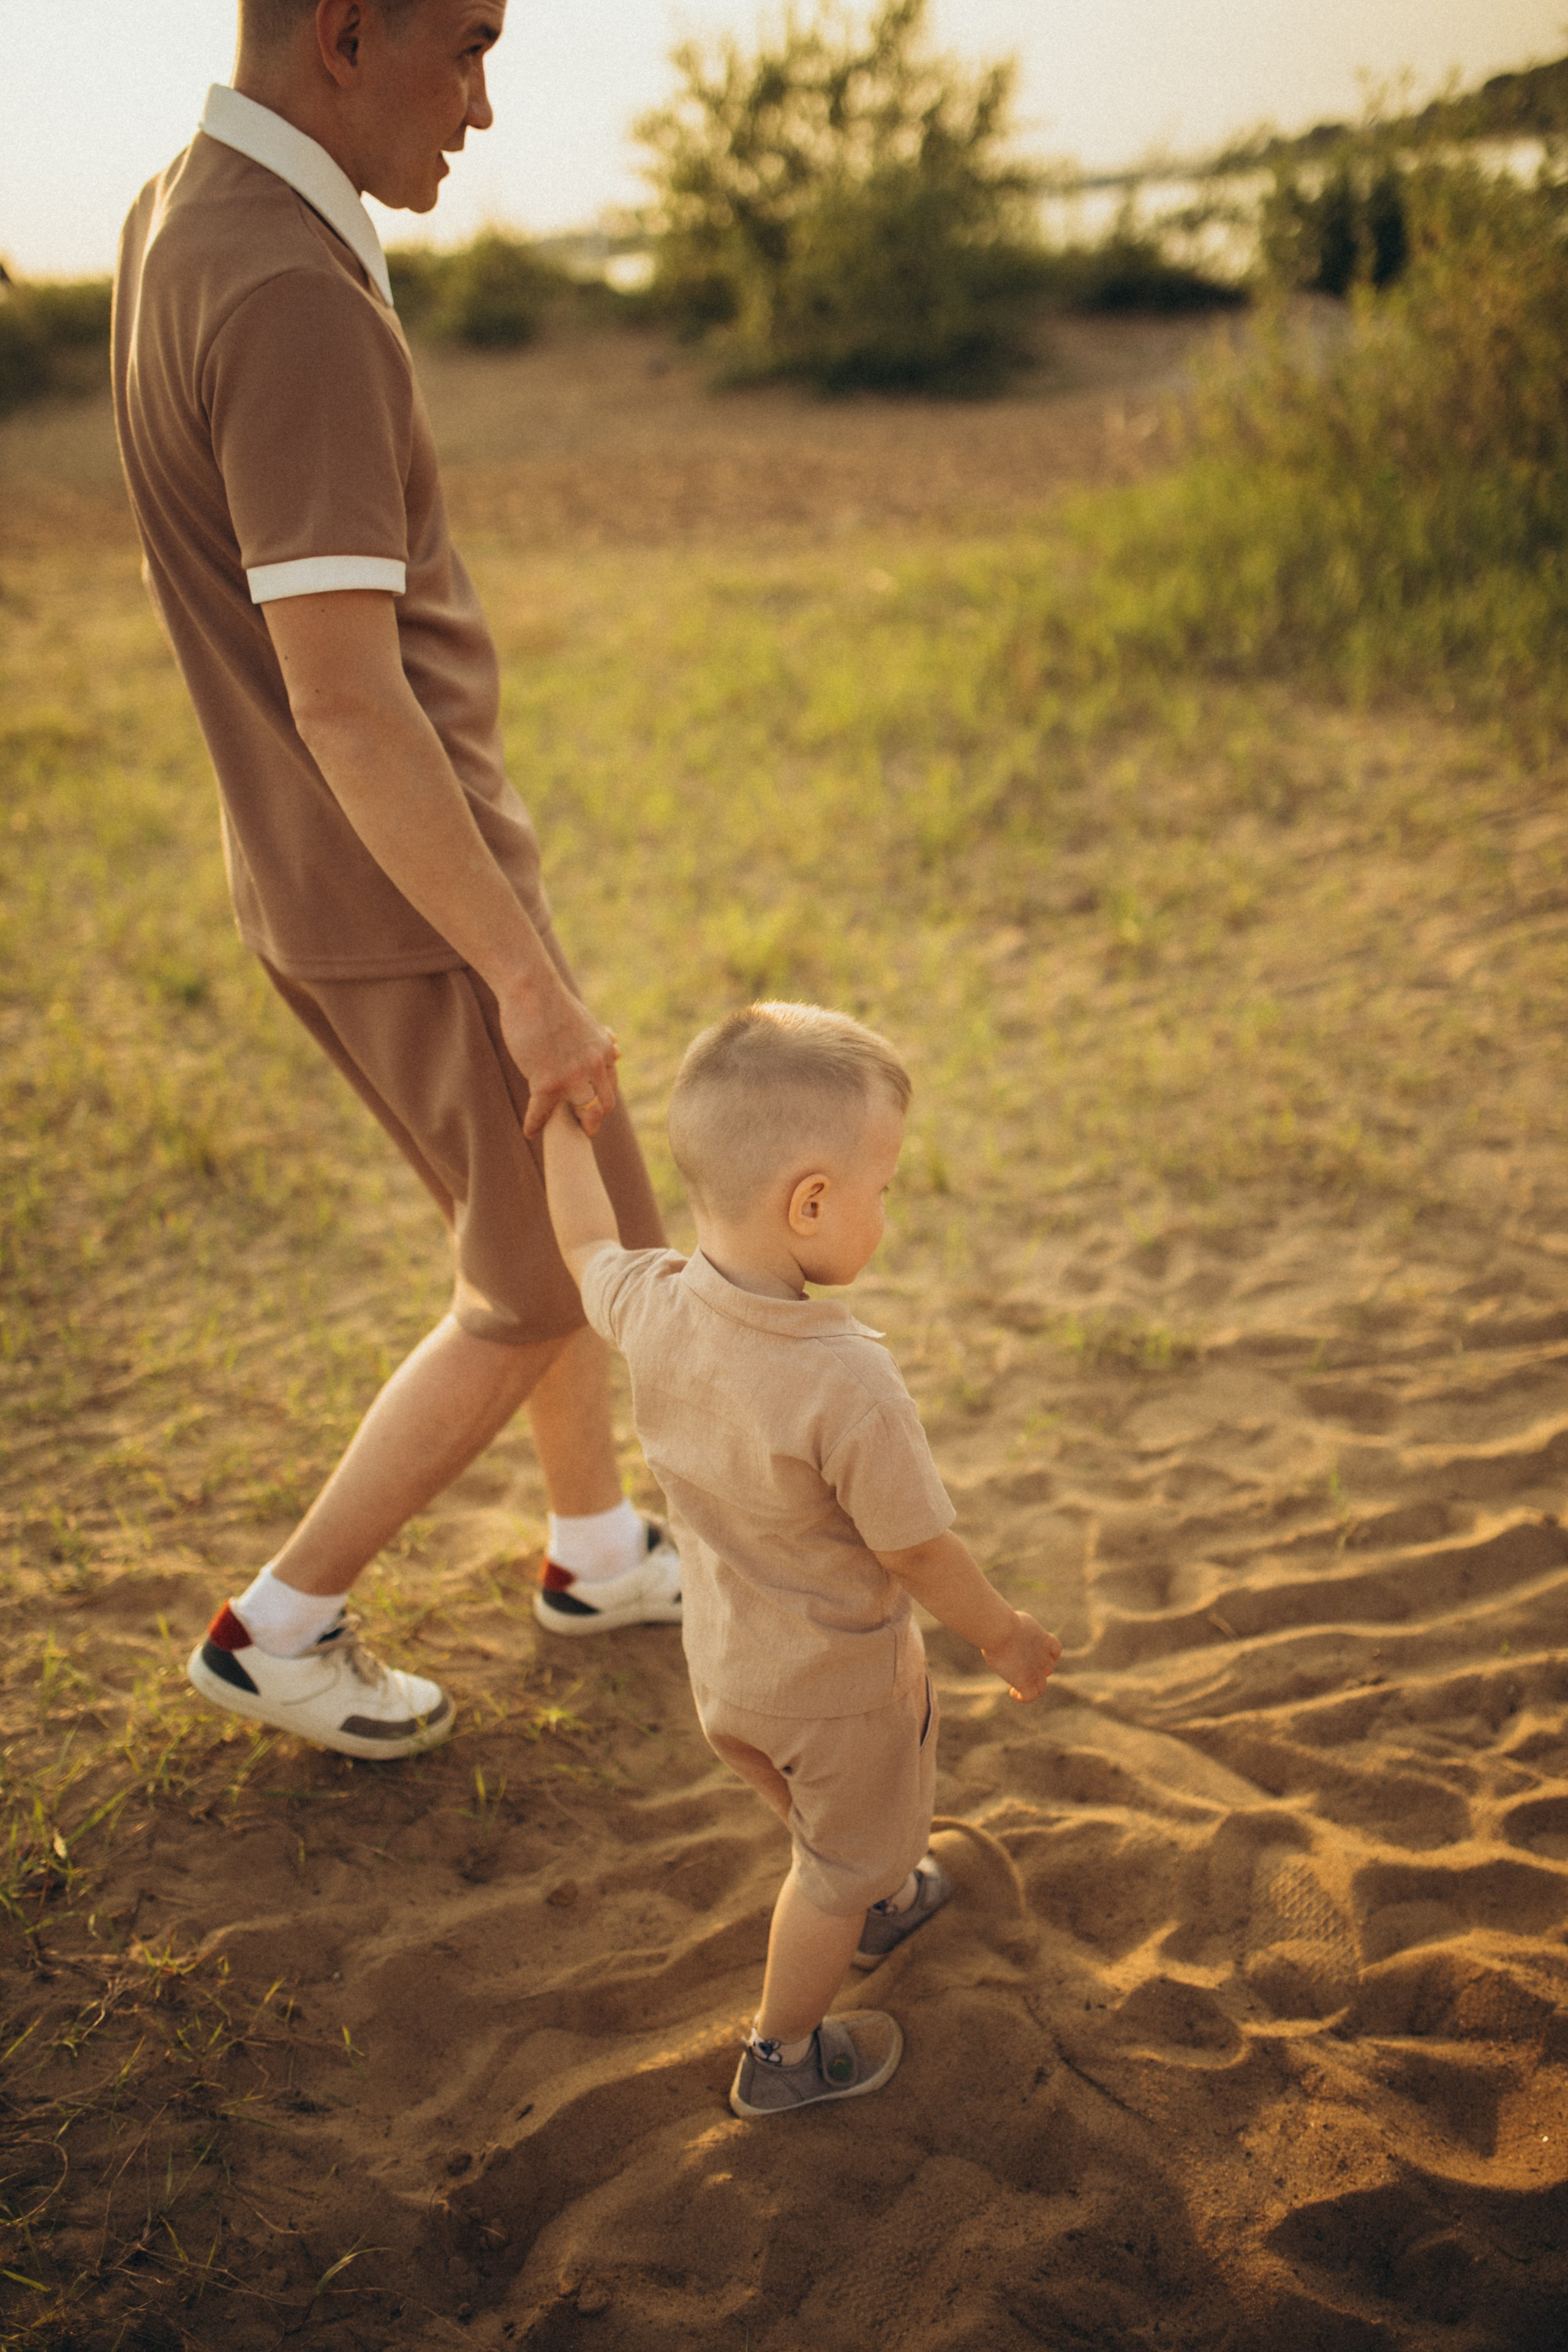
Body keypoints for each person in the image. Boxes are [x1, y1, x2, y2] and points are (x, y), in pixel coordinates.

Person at [110, 0, 682, 1765]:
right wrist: (528, 980)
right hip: (401, 892)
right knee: (566, 1272)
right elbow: (346, 699)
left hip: (350, 877)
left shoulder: (175, 209)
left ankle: (591, 1550)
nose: (488, 105)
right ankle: (280, 1624)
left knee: (542, 1236)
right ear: (345, 38)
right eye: (470, 47)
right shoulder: (284, 289)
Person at [541, 1003, 1062, 2117]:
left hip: (727, 1675)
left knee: (827, 1823)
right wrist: (1004, 1634)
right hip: (840, 1689)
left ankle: (876, 1896)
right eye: (884, 1186)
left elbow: (585, 1244)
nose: (890, 1208)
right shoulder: (848, 1382)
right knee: (827, 1871)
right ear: (813, 1201)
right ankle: (781, 2054)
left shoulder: (654, 1305)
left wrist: (561, 1126)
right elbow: (918, 1549)